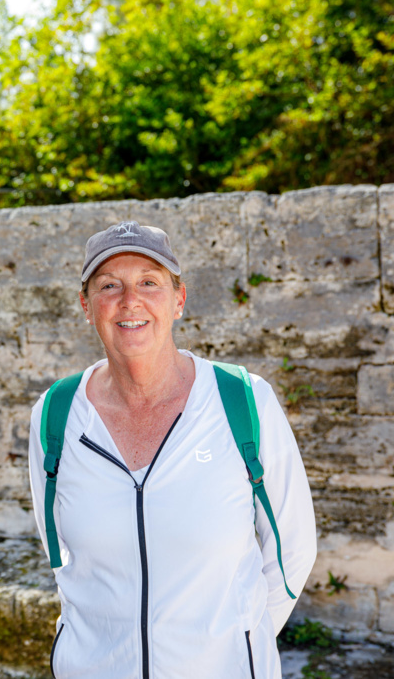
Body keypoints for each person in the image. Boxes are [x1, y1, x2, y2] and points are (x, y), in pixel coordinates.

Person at [27, 222, 317, 679]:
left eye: (149, 282)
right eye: (109, 285)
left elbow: (292, 550)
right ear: (87, 305)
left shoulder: (243, 400)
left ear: (178, 299)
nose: (130, 301)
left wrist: (239, 642)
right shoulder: (55, 412)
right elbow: (59, 551)